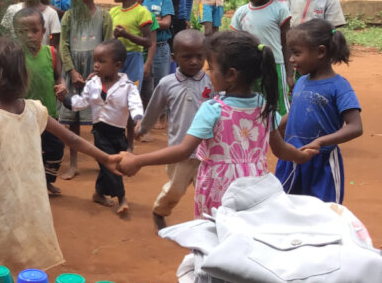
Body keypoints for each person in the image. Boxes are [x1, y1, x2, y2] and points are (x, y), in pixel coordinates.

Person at [0, 37, 120, 271]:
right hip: (30, 214)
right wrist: (105, 158)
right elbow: (73, 139)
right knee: (25, 275)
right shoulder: (34, 110)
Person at [118, 31, 313, 217]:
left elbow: (184, 150)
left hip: (220, 187)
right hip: (256, 187)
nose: (209, 75)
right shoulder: (264, 106)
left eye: (211, 69)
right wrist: (301, 156)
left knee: (215, 237)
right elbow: (280, 150)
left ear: (231, 75)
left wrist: (138, 160)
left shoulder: (213, 109)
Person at [275, 20, 362, 204]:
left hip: (322, 164)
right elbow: (296, 112)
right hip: (292, 159)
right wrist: (278, 128)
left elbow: (355, 126)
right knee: (284, 209)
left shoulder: (339, 86)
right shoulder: (301, 81)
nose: (291, 59)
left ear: (321, 52)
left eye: (297, 53)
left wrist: (321, 142)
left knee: (324, 214)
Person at [136, 30, 213, 231]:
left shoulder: (213, 82)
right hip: (179, 150)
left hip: (207, 150)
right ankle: (159, 211)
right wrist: (143, 128)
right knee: (175, 190)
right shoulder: (167, 83)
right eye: (187, 57)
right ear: (174, 57)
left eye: (199, 56)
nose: (194, 62)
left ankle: (208, 227)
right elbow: (154, 108)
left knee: (206, 190)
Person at [62, 38, 143, 216]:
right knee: (109, 165)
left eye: (101, 61)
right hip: (100, 133)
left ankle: (99, 193)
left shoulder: (128, 87)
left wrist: (138, 121)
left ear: (117, 65)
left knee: (113, 165)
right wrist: (65, 99)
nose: (96, 65)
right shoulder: (93, 84)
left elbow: (135, 105)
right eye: (95, 61)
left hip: (118, 133)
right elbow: (81, 102)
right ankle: (122, 197)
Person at [58, 0, 113, 180]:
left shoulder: (104, 17)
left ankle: (103, 160)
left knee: (99, 119)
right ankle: (73, 163)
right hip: (74, 72)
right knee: (72, 119)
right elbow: (63, 45)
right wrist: (72, 71)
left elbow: (108, 46)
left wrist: (96, 74)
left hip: (96, 74)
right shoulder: (69, 17)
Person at [14, 7, 66, 195]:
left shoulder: (51, 53)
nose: (29, 36)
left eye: (34, 31)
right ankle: (27, 188)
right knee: (27, 154)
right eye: (23, 31)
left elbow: (59, 76)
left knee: (56, 148)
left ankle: (46, 181)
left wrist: (62, 85)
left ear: (43, 32)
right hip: (23, 117)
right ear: (15, 33)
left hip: (48, 115)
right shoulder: (15, 56)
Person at [231, 0, 291, 115]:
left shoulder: (279, 10)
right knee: (253, 108)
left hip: (275, 67)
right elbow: (234, 45)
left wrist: (289, 74)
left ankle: (282, 138)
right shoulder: (241, 13)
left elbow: (286, 44)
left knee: (279, 109)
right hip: (249, 69)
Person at [109, 0, 153, 89]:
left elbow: (148, 41)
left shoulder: (141, 12)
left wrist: (126, 35)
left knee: (131, 93)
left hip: (133, 57)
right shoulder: (113, 12)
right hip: (115, 57)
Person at [140, 0, 174, 106]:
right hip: (141, 48)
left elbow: (166, 23)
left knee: (161, 81)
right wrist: (156, 20)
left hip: (161, 48)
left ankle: (162, 114)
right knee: (143, 80)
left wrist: (146, 21)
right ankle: (144, 112)